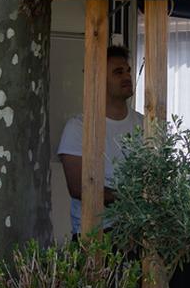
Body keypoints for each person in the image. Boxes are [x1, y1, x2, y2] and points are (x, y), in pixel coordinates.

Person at [57, 45, 143, 234]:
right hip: (95, 235)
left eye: (128, 70)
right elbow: (79, 188)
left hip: (138, 231)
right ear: (98, 79)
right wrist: (130, 197)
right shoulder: (79, 127)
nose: (127, 77)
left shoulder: (145, 124)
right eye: (118, 72)